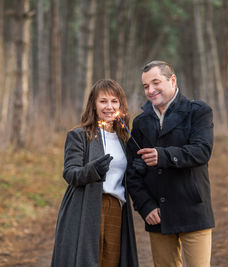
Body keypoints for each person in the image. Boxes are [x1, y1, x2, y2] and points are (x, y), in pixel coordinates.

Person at [127, 60, 215, 267]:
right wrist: (145, 206)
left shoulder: (198, 111)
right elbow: (133, 170)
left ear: (172, 80)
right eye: (146, 86)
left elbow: (202, 151)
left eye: (155, 83)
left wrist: (163, 156)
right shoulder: (140, 122)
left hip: (193, 210)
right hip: (158, 216)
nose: (150, 90)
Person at [51, 79, 139, 267]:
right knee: (86, 262)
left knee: (111, 262)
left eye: (114, 101)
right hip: (85, 207)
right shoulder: (79, 135)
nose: (109, 106)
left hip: (116, 208)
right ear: (93, 104)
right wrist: (92, 170)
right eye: (103, 101)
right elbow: (70, 173)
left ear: (120, 105)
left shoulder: (125, 138)